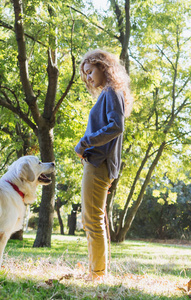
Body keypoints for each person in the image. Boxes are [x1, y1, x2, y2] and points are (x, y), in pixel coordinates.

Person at [74, 49, 133, 281]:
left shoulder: (111, 91)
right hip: (99, 163)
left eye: (90, 71)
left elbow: (116, 127)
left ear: (103, 67)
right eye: (85, 74)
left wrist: (84, 142)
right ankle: (97, 271)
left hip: (98, 163)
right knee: (94, 217)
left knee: (92, 218)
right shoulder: (110, 93)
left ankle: (97, 274)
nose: (88, 77)